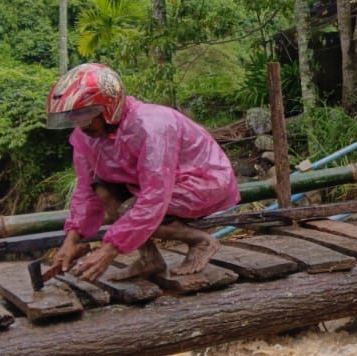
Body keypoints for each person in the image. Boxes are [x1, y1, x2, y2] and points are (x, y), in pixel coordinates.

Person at [45, 63, 240, 283]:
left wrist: (110, 250)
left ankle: (200, 241)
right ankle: (150, 259)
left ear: (108, 108)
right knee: (102, 189)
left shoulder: (152, 126)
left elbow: (154, 196)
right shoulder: (86, 137)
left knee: (131, 208)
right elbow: (85, 191)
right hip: (152, 186)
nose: (80, 124)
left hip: (204, 182)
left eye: (86, 115)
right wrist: (71, 240)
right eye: (75, 116)